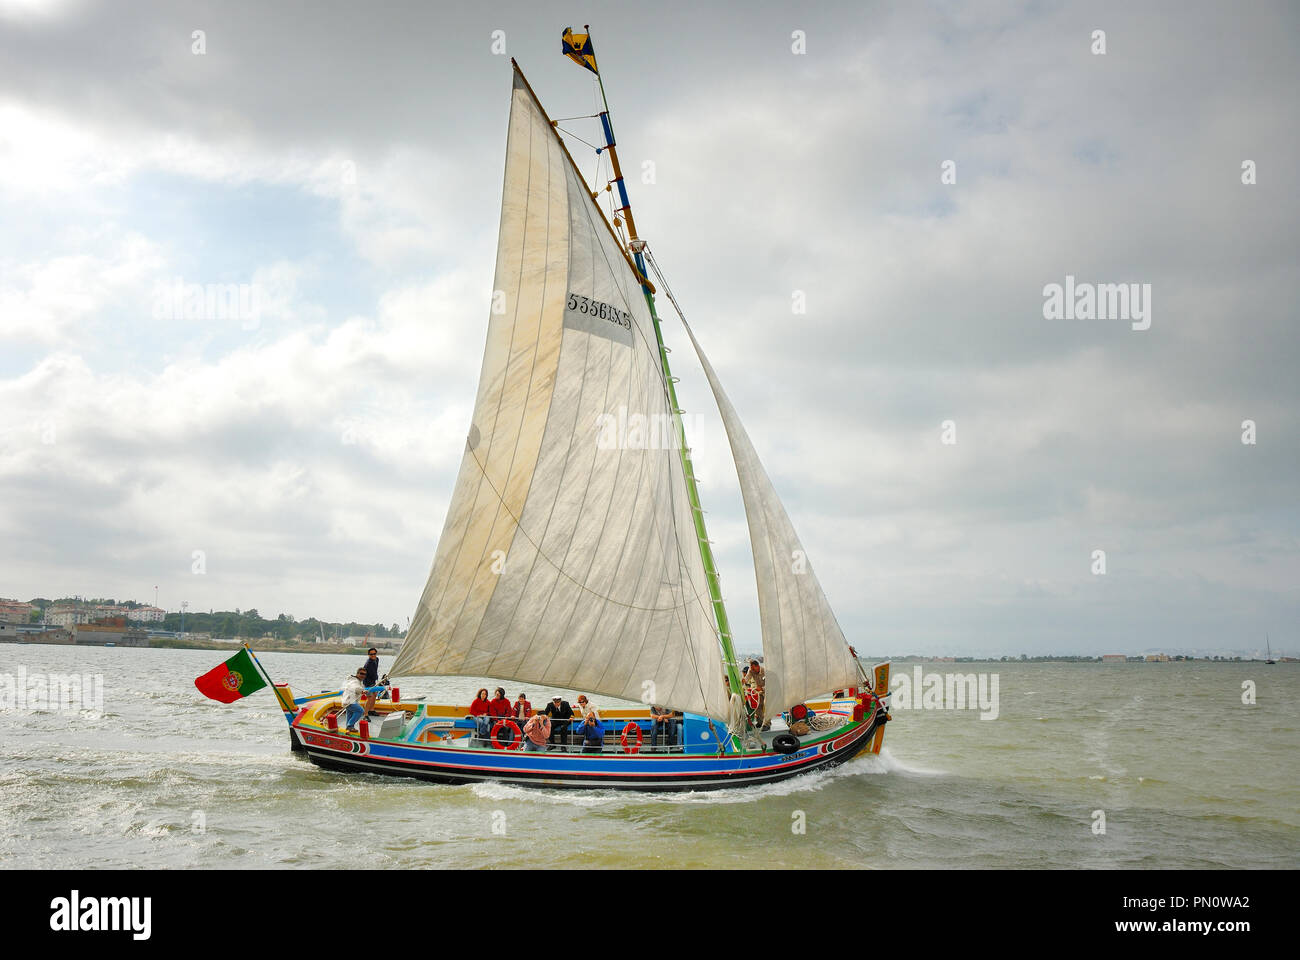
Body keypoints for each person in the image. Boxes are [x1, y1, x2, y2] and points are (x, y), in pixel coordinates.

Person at [341, 667, 369, 733]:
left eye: (365, 674)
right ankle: (350, 726)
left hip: (347, 700)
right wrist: (362, 691)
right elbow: (355, 687)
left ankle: (348, 728)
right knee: (360, 711)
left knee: (350, 714)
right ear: (357, 674)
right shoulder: (355, 681)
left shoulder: (355, 680)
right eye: (361, 673)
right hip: (350, 701)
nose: (363, 675)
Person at [746, 658, 768, 731]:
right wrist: (743, 681)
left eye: (752, 668)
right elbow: (747, 678)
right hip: (759, 691)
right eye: (750, 668)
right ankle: (760, 722)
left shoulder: (765, 671)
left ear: (757, 666)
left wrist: (762, 688)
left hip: (767, 690)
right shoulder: (751, 670)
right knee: (758, 706)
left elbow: (770, 684)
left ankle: (767, 724)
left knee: (766, 707)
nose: (751, 670)